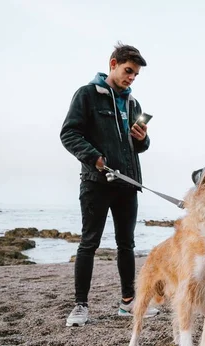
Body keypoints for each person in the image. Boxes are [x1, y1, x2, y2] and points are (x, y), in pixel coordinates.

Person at [60, 43, 159, 327]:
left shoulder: (133, 104)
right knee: (88, 243)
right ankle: (80, 306)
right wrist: (94, 158)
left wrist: (142, 138)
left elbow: (140, 146)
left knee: (126, 244)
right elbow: (69, 134)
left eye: (136, 74)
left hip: (128, 184)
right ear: (113, 64)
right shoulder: (87, 95)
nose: (131, 78)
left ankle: (128, 303)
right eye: (128, 71)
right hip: (96, 182)